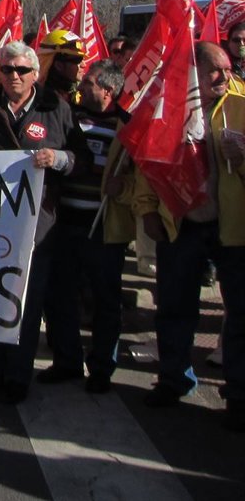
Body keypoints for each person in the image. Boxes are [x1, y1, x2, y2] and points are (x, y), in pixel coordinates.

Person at [0, 40, 90, 405]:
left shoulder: (56, 108)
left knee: (27, 303)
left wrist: (58, 159)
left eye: (21, 70)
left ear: (35, 73)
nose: (13, 76)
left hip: (38, 222)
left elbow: (81, 158)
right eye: (6, 69)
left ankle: (18, 376)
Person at [133, 42, 245, 430]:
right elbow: (148, 163)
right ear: (195, 71)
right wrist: (148, 209)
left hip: (233, 228)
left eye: (228, 68)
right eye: (215, 69)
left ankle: (239, 394)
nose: (225, 76)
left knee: (240, 314)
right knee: (175, 307)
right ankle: (173, 378)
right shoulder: (168, 108)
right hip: (181, 224)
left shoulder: (241, 106)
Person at [38, 60, 132, 393]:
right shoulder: (70, 117)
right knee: (60, 295)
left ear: (108, 90)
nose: (81, 84)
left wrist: (123, 186)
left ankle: (102, 367)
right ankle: (67, 360)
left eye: (89, 81)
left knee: (105, 299)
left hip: (104, 227)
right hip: (64, 222)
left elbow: (141, 177)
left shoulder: (128, 127)